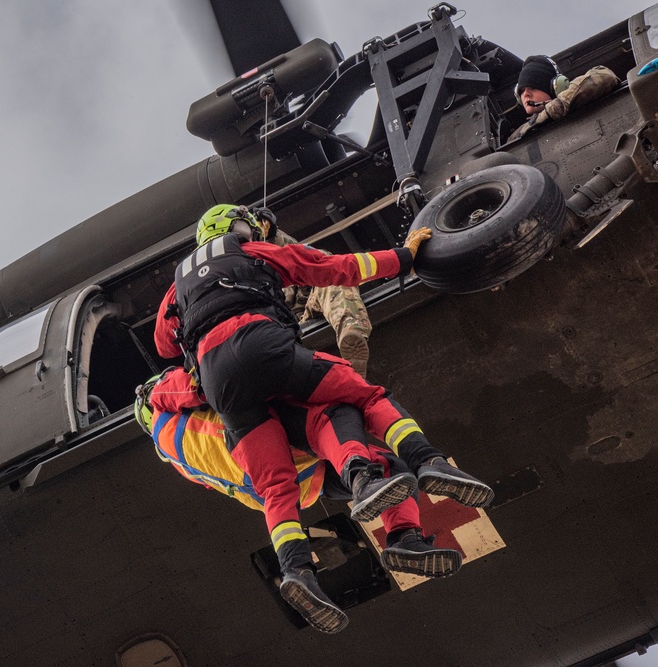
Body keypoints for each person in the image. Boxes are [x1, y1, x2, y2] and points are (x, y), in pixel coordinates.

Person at [153, 204, 493, 632]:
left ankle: (299, 572)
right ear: (240, 227)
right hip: (264, 348)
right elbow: (335, 267)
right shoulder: (254, 252)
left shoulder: (175, 292)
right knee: (363, 399)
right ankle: (424, 462)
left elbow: (164, 344)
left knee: (278, 488)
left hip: (223, 387)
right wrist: (403, 256)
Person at [134, 368, 463, 633]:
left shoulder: (173, 456)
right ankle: (404, 535)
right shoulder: (162, 395)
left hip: (282, 485)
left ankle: (300, 571)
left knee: (387, 470)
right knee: (339, 419)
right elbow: (202, 385)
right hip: (264, 445)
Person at [262, 221, 374, 378]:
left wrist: (271, 235)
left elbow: (298, 254)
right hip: (283, 337)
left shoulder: (283, 258)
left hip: (312, 310)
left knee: (335, 280)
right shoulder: (242, 281)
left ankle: (352, 337)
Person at [508, 55, 620, 142]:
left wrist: (554, 108)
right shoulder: (516, 136)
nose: (526, 94)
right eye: (521, 91)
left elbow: (605, 75)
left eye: (533, 87)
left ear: (554, 87)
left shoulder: (574, 101)